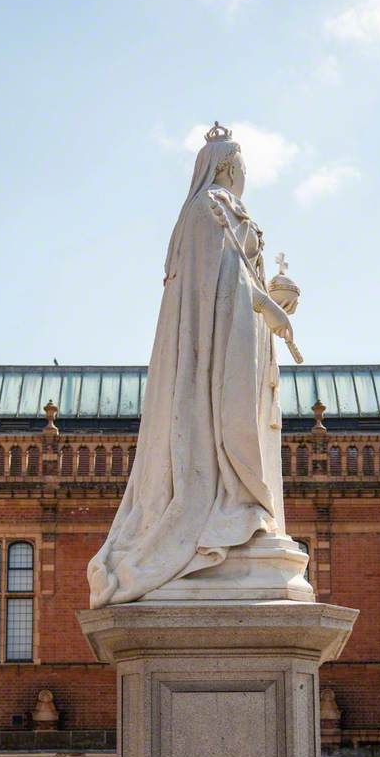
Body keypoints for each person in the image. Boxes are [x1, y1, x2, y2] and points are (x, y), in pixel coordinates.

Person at [87, 122, 298, 609]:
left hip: (236, 347)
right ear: (227, 164)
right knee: (223, 424)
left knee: (242, 426)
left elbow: (236, 286)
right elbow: (218, 289)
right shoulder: (207, 210)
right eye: (242, 162)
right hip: (215, 357)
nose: (245, 170)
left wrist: (271, 305)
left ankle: (242, 509)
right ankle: (224, 511)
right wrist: (267, 306)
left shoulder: (226, 211)